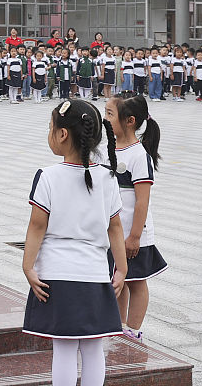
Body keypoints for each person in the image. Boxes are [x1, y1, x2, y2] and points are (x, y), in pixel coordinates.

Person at [22, 98, 126, 386]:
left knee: (64, 347)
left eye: (51, 127)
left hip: (57, 273)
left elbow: (37, 225)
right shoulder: (107, 176)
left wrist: (28, 266)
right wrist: (121, 269)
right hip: (94, 274)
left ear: (63, 134)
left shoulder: (48, 176)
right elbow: (115, 227)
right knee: (93, 347)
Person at [105, 94, 167, 342]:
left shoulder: (139, 155)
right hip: (113, 229)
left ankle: (133, 329)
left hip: (132, 231)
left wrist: (135, 236)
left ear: (129, 121)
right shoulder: (109, 146)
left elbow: (142, 200)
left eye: (110, 114)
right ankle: (118, 325)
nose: (105, 119)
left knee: (136, 281)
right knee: (119, 276)